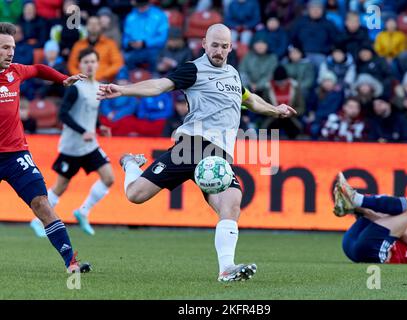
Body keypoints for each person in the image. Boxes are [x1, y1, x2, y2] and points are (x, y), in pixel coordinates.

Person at [97, 23, 297, 282]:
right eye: (214, 45)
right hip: (191, 146)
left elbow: (250, 100)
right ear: (204, 43)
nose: (219, 51)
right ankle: (130, 163)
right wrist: (124, 89)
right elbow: (159, 85)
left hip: (220, 156)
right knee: (135, 195)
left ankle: (226, 269)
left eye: (224, 46)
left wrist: (275, 109)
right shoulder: (193, 69)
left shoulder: (234, 75)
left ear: (231, 47)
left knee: (230, 203)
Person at [0, 22, 90, 272]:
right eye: (5, 47)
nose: (11, 52)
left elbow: (38, 68)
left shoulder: (15, 72)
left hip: (16, 155)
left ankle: (71, 262)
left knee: (42, 203)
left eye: (13, 47)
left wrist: (62, 79)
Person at [30, 48, 114, 238]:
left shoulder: (99, 87)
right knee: (61, 186)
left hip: (90, 145)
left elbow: (91, 113)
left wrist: (100, 126)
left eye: (93, 61)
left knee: (109, 177)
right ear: (80, 65)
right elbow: (63, 115)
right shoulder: (76, 87)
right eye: (86, 62)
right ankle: (37, 220)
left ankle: (83, 212)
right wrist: (83, 131)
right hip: (72, 147)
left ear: (98, 64)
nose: (90, 65)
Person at [333, 172, 407, 264]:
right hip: (356, 247)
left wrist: (364, 211)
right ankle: (353, 204)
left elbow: (406, 234)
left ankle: (355, 200)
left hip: (368, 249)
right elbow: (388, 225)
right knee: (386, 206)